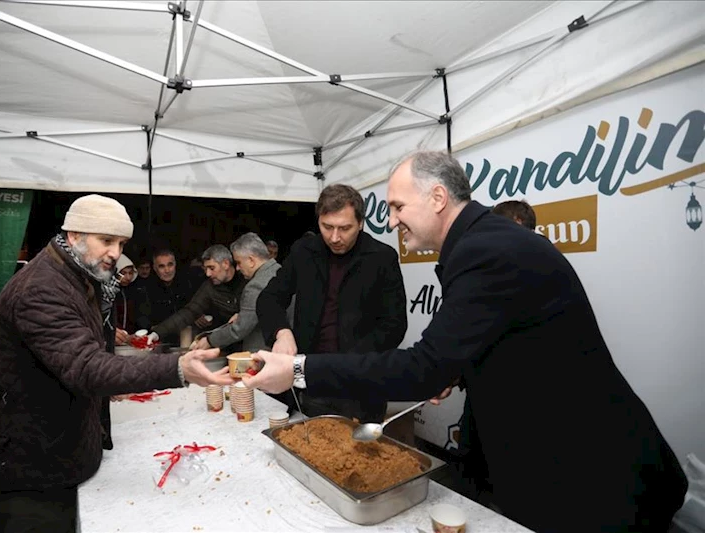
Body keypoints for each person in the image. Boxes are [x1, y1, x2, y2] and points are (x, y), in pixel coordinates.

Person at [246, 151, 687, 533]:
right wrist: (456, 368)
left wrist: (301, 368)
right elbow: (510, 340)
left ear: (437, 198)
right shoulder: (482, 243)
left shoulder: (486, 251)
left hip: (596, 477)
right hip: (557, 467)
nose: (393, 219)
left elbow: (422, 367)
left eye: (398, 206)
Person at [0, 194, 231, 533]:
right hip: (31, 471)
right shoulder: (41, 289)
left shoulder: (77, 276)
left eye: (121, 242)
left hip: (59, 455)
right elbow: (86, 367)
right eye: (106, 240)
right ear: (74, 235)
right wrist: (177, 368)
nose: (115, 251)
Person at [256, 184, 406, 423]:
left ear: (360, 223)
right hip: (312, 380)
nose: (335, 238)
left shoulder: (381, 257)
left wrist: (348, 361)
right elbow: (269, 298)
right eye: (327, 227)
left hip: (361, 384)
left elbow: (394, 325)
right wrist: (281, 333)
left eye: (345, 228)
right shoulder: (304, 251)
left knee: (359, 455)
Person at [191, 233, 282, 352]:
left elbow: (240, 329)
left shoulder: (255, 285)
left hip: (264, 352)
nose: (237, 268)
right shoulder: (280, 271)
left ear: (251, 260)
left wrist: (210, 340)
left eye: (238, 262)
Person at [151, 245, 246, 349]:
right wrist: (157, 333)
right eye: (205, 269)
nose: (208, 274)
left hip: (251, 344)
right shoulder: (209, 286)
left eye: (211, 268)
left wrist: (242, 315)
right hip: (224, 344)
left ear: (226, 264)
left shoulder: (247, 280)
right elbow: (190, 311)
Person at [135, 249, 194, 345]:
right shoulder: (146, 288)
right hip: (158, 341)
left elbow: (194, 307)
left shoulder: (186, 284)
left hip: (184, 339)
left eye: (170, 265)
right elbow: (142, 319)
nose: (167, 270)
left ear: (175, 265)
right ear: (154, 268)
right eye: (162, 266)